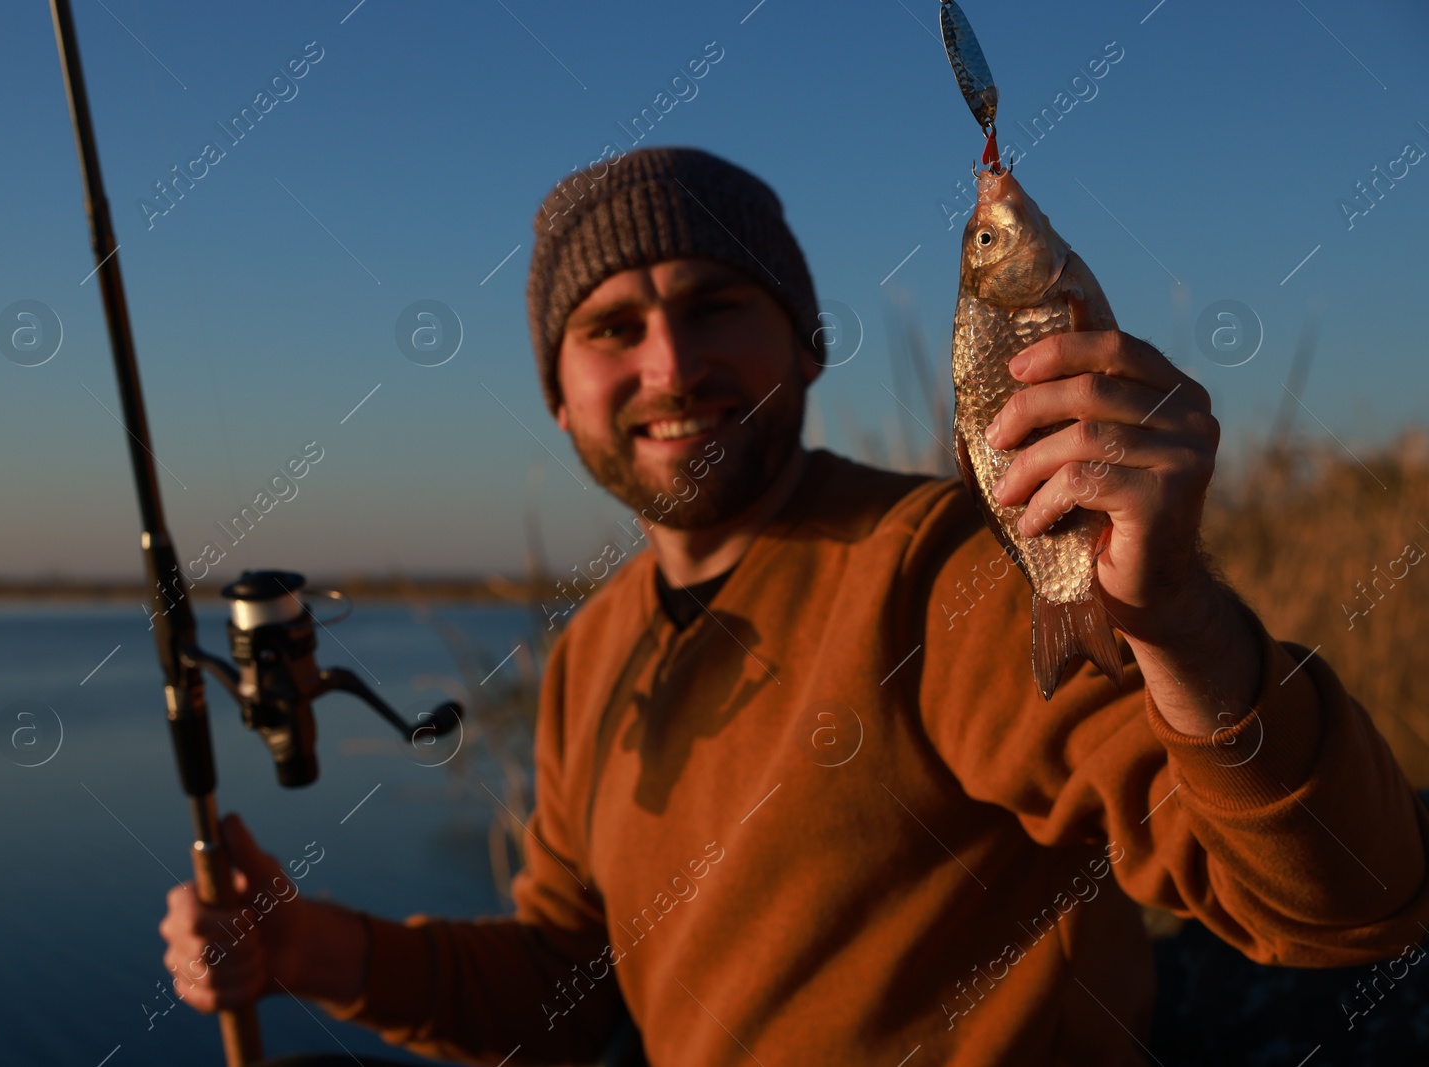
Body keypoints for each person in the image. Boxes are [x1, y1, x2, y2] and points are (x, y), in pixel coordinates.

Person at [158, 146, 1429, 1065]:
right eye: (611, 328)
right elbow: (561, 980)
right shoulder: (591, 652)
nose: (670, 364)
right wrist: (308, 946)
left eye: (715, 304)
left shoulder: (950, 572)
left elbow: (1344, 903)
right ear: (559, 398)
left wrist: (1186, 625)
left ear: (806, 344)